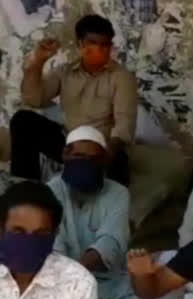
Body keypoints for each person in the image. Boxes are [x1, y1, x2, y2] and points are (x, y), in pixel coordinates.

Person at [48, 126, 183, 299]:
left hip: (106, 283)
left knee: (172, 295)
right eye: (79, 157)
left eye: (93, 160)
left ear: (103, 162)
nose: (85, 164)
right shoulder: (50, 192)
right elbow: (54, 249)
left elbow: (110, 243)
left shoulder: (118, 193)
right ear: (65, 155)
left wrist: (80, 279)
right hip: (61, 282)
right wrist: (71, 284)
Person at [11, 14, 137, 184]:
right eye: (92, 44)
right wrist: (38, 63)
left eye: (104, 45)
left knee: (118, 160)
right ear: (79, 44)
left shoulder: (122, 78)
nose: (99, 51)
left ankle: (109, 198)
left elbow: (124, 126)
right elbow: (35, 100)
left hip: (102, 147)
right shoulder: (65, 72)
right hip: (69, 143)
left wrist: (102, 153)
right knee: (22, 120)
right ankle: (26, 187)